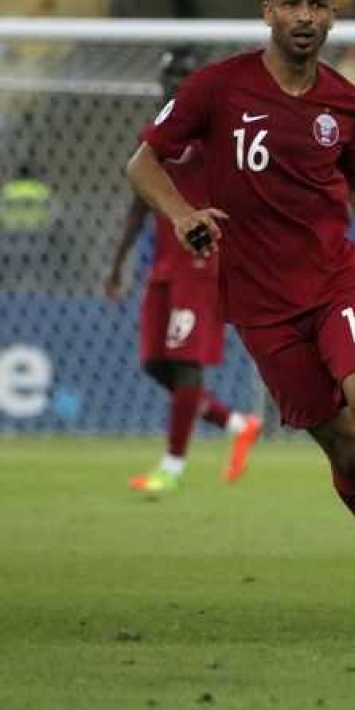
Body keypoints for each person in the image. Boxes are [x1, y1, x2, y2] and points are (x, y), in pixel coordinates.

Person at [125, 0, 355, 633]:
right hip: (260, 305)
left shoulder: (344, 102)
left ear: (333, 16)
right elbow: (143, 161)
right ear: (269, 12)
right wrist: (183, 214)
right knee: (344, 449)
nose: (304, 17)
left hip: (335, 281)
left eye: (318, 5)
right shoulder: (216, 88)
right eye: (292, 3)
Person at [106, 46, 262, 494]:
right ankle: (237, 423)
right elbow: (139, 201)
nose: (178, 82)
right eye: (172, 74)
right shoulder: (154, 135)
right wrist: (118, 263)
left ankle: (171, 469)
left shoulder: (218, 131)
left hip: (202, 260)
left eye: (187, 75)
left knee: (186, 363)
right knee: (156, 364)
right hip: (163, 264)